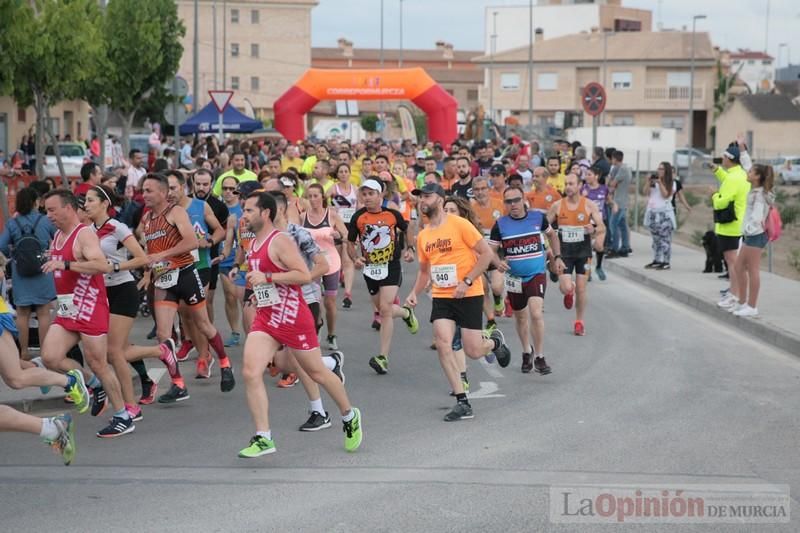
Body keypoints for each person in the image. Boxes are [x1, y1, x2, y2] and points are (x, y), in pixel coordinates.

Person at [237, 191, 363, 457]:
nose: (243, 215)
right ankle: (263, 437)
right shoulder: (254, 242)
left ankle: (349, 415)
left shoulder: (280, 241)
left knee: (316, 372)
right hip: (267, 317)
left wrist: (268, 277)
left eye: (248, 210)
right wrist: (256, 287)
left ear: (265, 213)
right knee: (250, 371)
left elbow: (303, 274)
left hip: (294, 316)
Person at [405, 183, 512, 422]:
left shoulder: (460, 224)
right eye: (420, 197)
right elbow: (424, 271)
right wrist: (414, 292)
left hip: (469, 293)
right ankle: (462, 402)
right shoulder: (423, 235)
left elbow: (486, 255)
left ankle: (494, 343)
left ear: (440, 200)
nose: (423, 200)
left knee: (474, 350)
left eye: (428, 196)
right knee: (443, 344)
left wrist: (467, 280)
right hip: (443, 296)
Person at [39, 189, 134, 438]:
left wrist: (66, 264)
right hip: (68, 308)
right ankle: (92, 384)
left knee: (99, 363)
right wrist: (53, 261)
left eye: (52, 210)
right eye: (46, 210)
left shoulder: (84, 234)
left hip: (90, 306)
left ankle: (123, 416)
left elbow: (101, 265)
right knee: (50, 357)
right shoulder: (58, 235)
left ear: (68, 208)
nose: (48, 215)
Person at [83, 185, 176, 418]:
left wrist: (114, 266)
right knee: (119, 351)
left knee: (114, 353)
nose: (86, 204)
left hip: (123, 290)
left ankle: (130, 407)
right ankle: (161, 350)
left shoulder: (117, 227)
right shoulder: (86, 231)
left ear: (105, 204)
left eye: (90, 200)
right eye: (85, 200)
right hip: (101, 294)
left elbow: (142, 258)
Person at [139, 174, 234, 403]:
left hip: (186, 274)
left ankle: (224, 362)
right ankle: (178, 384)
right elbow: (150, 249)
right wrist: (148, 271)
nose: (144, 195)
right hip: (163, 280)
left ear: (163, 193)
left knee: (202, 324)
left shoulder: (176, 213)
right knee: (164, 334)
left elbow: (191, 242)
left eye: (149, 190)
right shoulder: (147, 219)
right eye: (143, 190)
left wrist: (163, 254)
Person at [347, 179, 418, 374]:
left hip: (391, 265)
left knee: (385, 309)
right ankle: (405, 313)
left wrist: (409, 248)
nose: (367, 198)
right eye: (365, 194)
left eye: (371, 194)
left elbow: (407, 228)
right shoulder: (358, 217)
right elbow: (350, 243)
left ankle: (383, 357)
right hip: (370, 268)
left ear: (380, 196)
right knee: (381, 308)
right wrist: (356, 258)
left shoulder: (392, 214)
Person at [489, 186, 559, 375]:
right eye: (508, 201)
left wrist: (557, 258)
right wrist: (498, 263)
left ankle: (540, 357)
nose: (513, 205)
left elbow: (552, 235)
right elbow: (491, 251)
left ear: (524, 199)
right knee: (520, 316)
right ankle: (527, 351)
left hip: (536, 274)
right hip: (514, 278)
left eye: (516, 200)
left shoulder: (537, 218)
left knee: (536, 313)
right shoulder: (500, 225)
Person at [166, 171, 225, 379]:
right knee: (184, 311)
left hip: (200, 265)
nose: (170, 192)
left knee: (195, 311)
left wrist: (208, 242)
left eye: (173, 188)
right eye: (167, 188)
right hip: (176, 267)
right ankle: (198, 347)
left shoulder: (200, 207)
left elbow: (219, 230)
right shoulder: (164, 210)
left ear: (183, 186)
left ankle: (203, 356)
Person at [0, 187, 56, 361]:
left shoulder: (12, 223)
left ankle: (23, 352)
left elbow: (2, 245)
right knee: (43, 312)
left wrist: (13, 256)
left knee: (22, 313)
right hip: (43, 269)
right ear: (35, 202)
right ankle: (45, 352)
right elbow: (58, 238)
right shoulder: (45, 221)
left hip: (21, 272)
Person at [546, 173, 606, 336]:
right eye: (566, 184)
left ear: (580, 185)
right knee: (565, 288)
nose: (568, 187)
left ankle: (579, 321)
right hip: (564, 253)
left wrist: (593, 229)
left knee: (582, 288)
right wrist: (548, 247)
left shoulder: (589, 205)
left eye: (572, 184)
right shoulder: (558, 206)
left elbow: (602, 227)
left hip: (583, 253)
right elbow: (544, 226)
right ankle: (569, 290)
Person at [303, 184, 348, 350]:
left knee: (329, 302)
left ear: (322, 197)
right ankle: (316, 326)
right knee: (313, 300)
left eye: (316, 196)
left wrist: (338, 235)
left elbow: (346, 235)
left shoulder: (332, 216)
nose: (313, 200)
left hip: (330, 262)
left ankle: (331, 334)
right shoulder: (303, 217)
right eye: (310, 196)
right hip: (311, 264)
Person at [731, 164, 775, 317]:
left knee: (752, 269)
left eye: (750, 172)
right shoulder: (757, 191)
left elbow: (756, 218)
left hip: (755, 235)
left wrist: (747, 230)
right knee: (738, 266)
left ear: (757, 177)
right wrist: (743, 150)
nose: (747, 173)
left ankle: (752, 306)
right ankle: (743, 302)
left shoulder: (759, 195)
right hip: (752, 235)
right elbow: (749, 164)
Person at [713, 145, 751, 309]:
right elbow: (728, 181)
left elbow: (723, 201)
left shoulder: (732, 178)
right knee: (733, 262)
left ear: (729, 159)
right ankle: (735, 294)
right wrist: (717, 171)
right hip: (738, 223)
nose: (722, 160)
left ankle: (735, 295)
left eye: (724, 157)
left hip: (729, 225)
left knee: (732, 262)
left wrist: (714, 195)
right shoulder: (740, 174)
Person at [216, 175, 244, 346]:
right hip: (224, 260)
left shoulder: (244, 210)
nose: (228, 192)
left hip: (242, 260)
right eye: (225, 188)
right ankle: (235, 332)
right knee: (230, 296)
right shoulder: (217, 210)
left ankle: (254, 330)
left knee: (243, 298)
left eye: (231, 189)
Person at [328, 163, 358, 309]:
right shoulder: (334, 188)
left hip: (350, 227)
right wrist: (330, 207)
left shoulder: (355, 189)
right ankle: (339, 276)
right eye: (341, 172)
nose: (344, 174)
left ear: (350, 173)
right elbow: (323, 201)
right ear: (338, 174)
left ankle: (348, 293)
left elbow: (359, 208)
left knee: (348, 260)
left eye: (346, 171)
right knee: (338, 259)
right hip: (337, 227)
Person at [643, 162, 677, 270]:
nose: (659, 171)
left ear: (666, 171)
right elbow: (645, 192)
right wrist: (648, 182)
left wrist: (660, 182)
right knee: (656, 240)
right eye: (658, 168)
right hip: (653, 213)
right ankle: (657, 260)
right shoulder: (654, 182)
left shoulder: (672, 183)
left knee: (665, 240)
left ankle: (666, 261)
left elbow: (665, 195)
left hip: (665, 214)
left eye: (662, 169)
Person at [581, 166, 610, 280]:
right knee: (587, 249)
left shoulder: (604, 188)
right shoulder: (583, 189)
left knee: (599, 246)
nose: (586, 177)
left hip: (600, 223)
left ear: (596, 176)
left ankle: (598, 267)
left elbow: (607, 199)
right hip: (587, 223)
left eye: (589, 174)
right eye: (586, 174)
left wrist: (613, 204)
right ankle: (587, 271)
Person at [606, 150, 632, 257]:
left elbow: (612, 184)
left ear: (615, 159)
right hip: (623, 200)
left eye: (612, 159)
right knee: (622, 225)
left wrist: (609, 179)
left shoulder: (622, 169)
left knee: (613, 225)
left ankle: (614, 248)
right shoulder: (626, 168)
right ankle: (625, 247)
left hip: (619, 202)